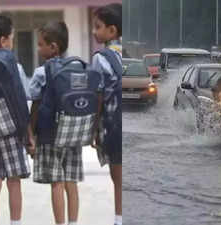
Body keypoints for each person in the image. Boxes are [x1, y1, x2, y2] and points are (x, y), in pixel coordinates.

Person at [0, 14, 34, 225]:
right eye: (11, 38)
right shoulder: (14, 66)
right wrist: (29, 135)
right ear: (3, 40)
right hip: (11, 131)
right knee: (14, 181)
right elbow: (21, 101)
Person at [29, 21, 83, 225]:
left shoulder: (41, 73)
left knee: (56, 184)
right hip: (73, 133)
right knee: (72, 182)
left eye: (41, 44)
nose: (38, 48)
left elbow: (35, 106)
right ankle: (73, 222)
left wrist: (30, 133)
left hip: (49, 135)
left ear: (53, 47)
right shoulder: (76, 68)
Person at [92, 3, 123, 225]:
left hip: (113, 125)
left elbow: (98, 96)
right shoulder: (128, 55)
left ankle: (119, 219)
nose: (94, 31)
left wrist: (94, 126)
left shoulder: (101, 58)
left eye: (98, 26)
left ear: (111, 31)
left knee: (117, 177)